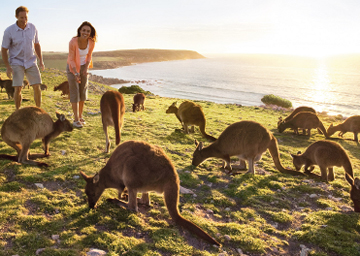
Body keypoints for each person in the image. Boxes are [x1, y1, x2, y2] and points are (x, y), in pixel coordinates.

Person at [1, 6, 45, 110]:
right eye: (21, 18)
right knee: (18, 87)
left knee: (37, 86)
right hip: (16, 62)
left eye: (26, 17)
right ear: (16, 17)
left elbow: (37, 45)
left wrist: (41, 61)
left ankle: (38, 111)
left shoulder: (33, 28)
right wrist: (8, 67)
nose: (24, 20)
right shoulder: (9, 31)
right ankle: (18, 111)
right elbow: (3, 50)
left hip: (31, 61)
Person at [67, 21, 97, 128]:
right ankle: (76, 119)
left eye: (88, 31)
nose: (85, 32)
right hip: (72, 68)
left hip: (84, 66)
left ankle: (80, 115)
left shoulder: (91, 42)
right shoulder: (73, 42)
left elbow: (89, 56)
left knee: (83, 91)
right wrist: (75, 73)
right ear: (80, 30)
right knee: (75, 91)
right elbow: (71, 59)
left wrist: (86, 68)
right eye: (84, 30)